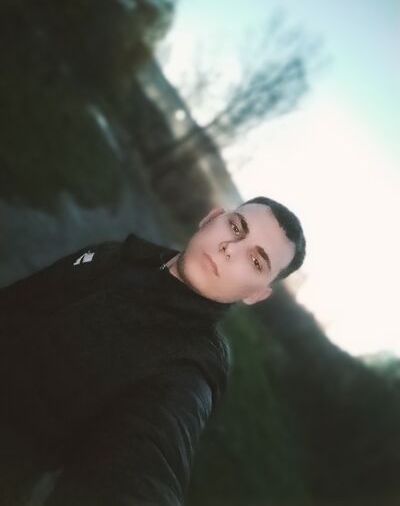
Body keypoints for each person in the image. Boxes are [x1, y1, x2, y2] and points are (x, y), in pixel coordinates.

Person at [0, 196, 305, 506]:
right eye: (237, 228)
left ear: (256, 294)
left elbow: (148, 464)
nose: (231, 249)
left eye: (256, 261)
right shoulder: (116, 255)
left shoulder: (190, 371)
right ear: (211, 218)